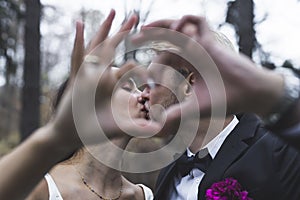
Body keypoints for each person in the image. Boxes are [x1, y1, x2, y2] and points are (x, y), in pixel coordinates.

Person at [0, 10, 163, 200]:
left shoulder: (143, 195)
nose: (143, 95)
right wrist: (56, 136)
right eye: (127, 87)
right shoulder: (42, 188)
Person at [132, 18, 300, 199]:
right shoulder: (168, 172)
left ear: (190, 84)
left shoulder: (279, 149)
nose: (143, 95)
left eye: (151, 83)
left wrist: (270, 92)